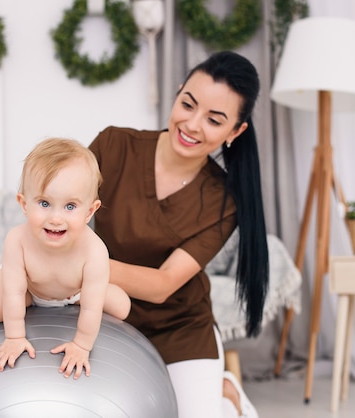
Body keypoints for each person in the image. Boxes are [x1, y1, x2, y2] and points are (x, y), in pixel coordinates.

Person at [88, 51, 269, 417]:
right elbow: (63, 206)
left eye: (214, 120)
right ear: (178, 93)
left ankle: (223, 391)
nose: (192, 124)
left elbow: (162, 284)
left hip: (180, 328)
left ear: (235, 132)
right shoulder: (113, 147)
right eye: (188, 104)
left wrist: (79, 264)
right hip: (102, 313)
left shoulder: (225, 200)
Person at [0, 138, 131, 379]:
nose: (55, 218)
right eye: (44, 203)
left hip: (74, 291)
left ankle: (80, 295)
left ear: (89, 211)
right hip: (28, 287)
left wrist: (82, 346)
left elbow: (93, 307)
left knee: (122, 306)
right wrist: (15, 337)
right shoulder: (17, 240)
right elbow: (13, 293)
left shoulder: (94, 251)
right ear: (24, 204)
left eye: (70, 206)